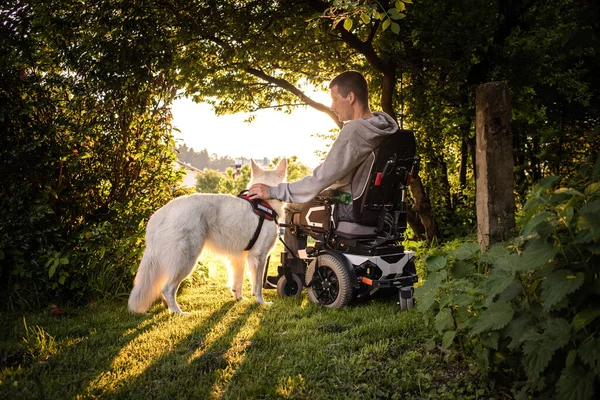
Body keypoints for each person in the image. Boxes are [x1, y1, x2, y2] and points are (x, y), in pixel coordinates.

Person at [248, 70, 399, 217]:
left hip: (349, 206)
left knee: (292, 210)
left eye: (334, 99)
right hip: (382, 210)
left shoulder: (354, 132)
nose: (332, 107)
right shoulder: (383, 127)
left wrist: (273, 191)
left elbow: (320, 179)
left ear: (350, 97)